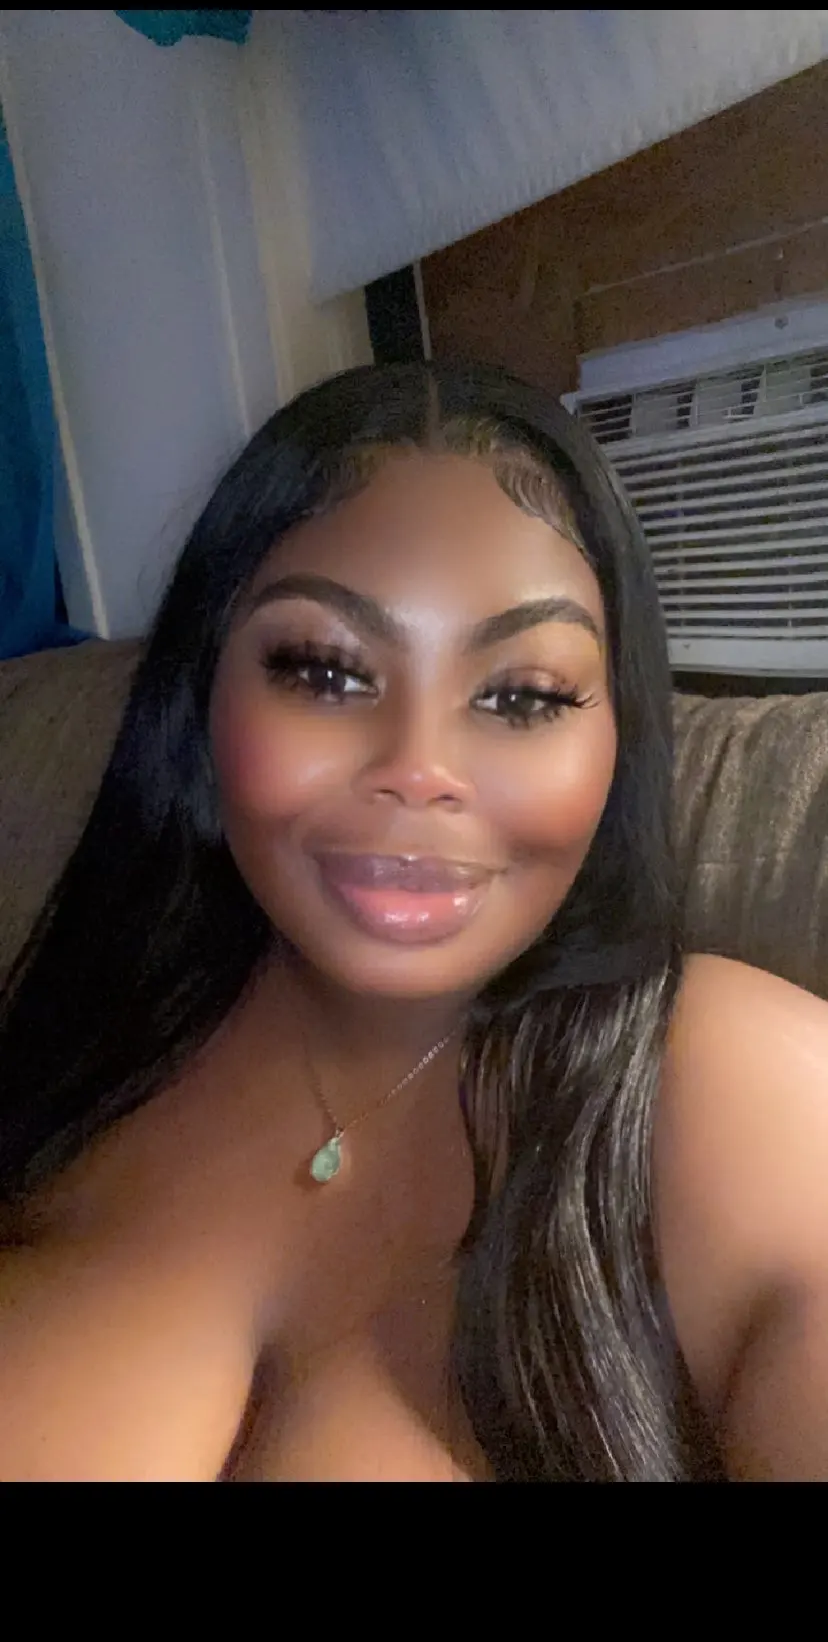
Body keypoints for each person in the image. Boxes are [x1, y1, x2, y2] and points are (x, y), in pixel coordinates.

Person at [1, 361, 827, 1482]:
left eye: (522, 695)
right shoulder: (78, 1032)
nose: (419, 768)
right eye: (325, 672)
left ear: (619, 739)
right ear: (202, 697)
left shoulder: (749, 1095)